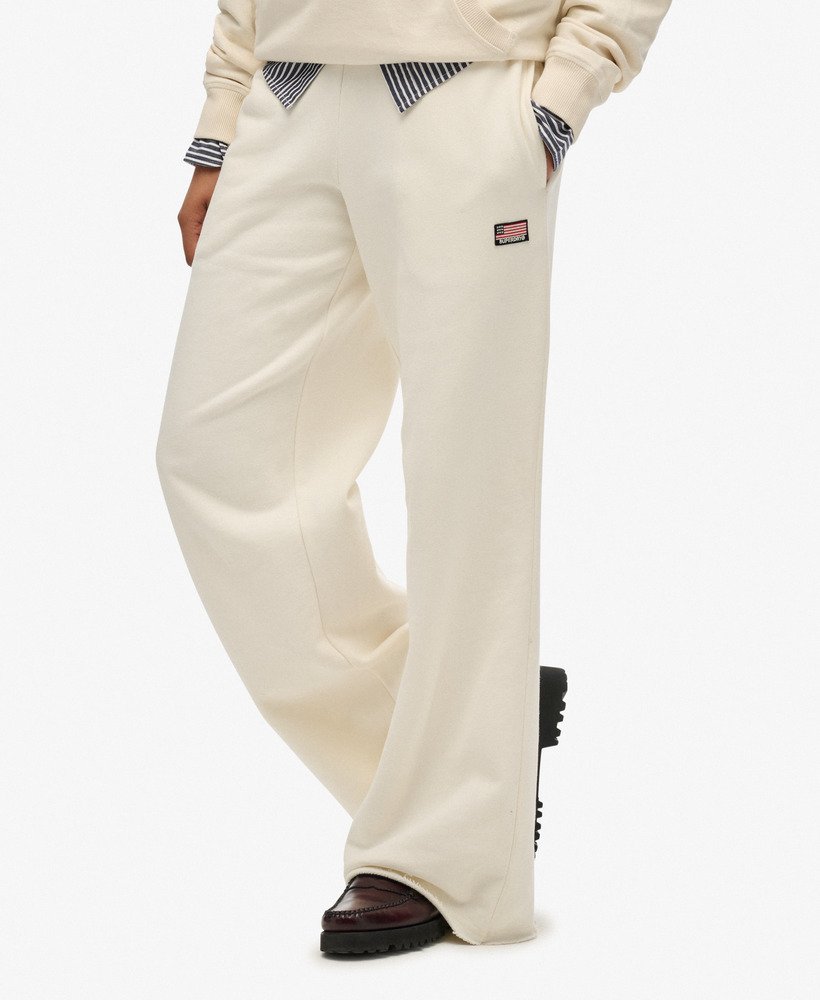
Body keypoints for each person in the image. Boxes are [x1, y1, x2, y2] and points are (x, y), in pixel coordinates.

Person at [156, 0, 673, 956]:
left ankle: (446, 848)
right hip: (289, 85)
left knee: (465, 486)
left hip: (468, 84)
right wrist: (223, 110)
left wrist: (566, 90)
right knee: (215, 457)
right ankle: (471, 760)